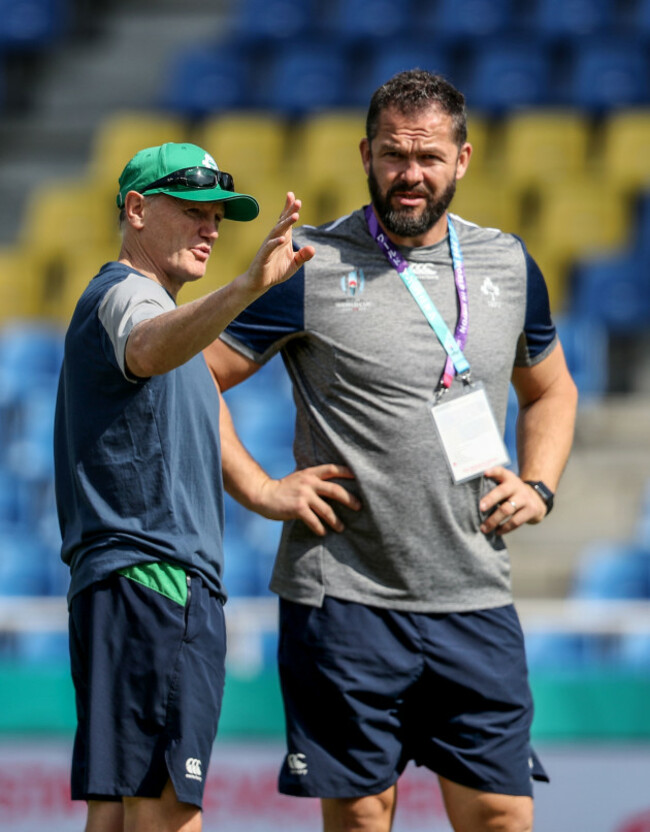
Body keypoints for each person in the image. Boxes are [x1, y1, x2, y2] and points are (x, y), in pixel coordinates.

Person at [204, 70, 578, 832]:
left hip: (473, 593)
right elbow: (191, 380)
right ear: (365, 154)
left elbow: (553, 390)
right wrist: (258, 488)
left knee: (503, 815)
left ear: (463, 160)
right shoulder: (306, 264)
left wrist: (538, 485)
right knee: (364, 816)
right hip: (342, 596)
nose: (411, 176)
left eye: (429, 157)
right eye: (394, 156)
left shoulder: (508, 264)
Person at [53, 141, 318, 832]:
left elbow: (197, 391)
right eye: (194, 209)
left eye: (219, 216)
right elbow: (147, 348)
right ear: (137, 209)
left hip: (127, 582)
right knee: (167, 810)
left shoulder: (171, 328)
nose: (212, 227)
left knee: (118, 812)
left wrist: (264, 491)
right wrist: (245, 289)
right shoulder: (127, 296)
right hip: (156, 578)